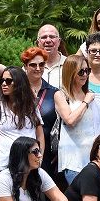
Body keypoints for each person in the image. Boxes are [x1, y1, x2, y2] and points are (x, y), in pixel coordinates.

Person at [22, 46, 67, 183]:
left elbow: (66, 122)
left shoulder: (54, 93)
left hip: (46, 153)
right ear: (25, 66)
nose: (38, 68)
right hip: (21, 149)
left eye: (41, 64)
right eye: (33, 65)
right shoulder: (18, 92)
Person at [0, 67, 43, 173]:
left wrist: (40, 158)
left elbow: (39, 135)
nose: (3, 84)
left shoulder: (31, 107)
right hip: (3, 165)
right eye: (1, 80)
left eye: (8, 81)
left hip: (29, 164)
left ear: (18, 83)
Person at [57, 54, 96, 185]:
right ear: (71, 72)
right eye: (81, 71)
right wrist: (85, 102)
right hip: (73, 158)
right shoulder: (61, 95)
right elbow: (70, 120)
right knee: (80, 199)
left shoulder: (89, 93)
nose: (85, 74)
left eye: (87, 70)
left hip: (92, 156)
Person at [37, 24, 67, 89]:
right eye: (44, 37)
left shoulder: (70, 64)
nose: (48, 40)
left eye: (52, 37)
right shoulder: (30, 67)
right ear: (38, 42)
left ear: (59, 41)